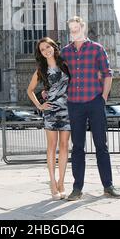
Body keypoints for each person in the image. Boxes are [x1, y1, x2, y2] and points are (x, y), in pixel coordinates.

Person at [61, 16, 120, 200]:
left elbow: (107, 74)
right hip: (74, 104)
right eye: (71, 29)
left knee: (101, 146)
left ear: (83, 28)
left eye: (76, 28)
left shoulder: (97, 48)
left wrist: (103, 98)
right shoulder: (65, 52)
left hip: (94, 101)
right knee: (78, 147)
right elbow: (59, 76)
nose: (74, 31)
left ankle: (108, 186)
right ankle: (77, 188)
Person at [27, 37, 71, 200]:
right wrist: (39, 105)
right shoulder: (41, 70)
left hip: (67, 110)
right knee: (52, 147)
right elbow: (30, 90)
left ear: (53, 47)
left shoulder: (65, 64)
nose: (46, 50)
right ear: (40, 53)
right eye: (42, 49)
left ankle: (61, 182)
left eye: (48, 47)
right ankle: (52, 183)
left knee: (65, 146)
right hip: (51, 111)